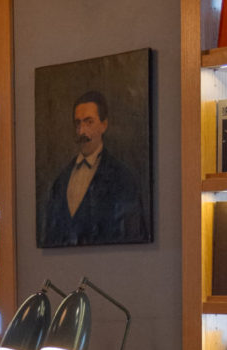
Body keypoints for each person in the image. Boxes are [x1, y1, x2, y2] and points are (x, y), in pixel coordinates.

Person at [41, 91, 148, 246]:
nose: (82, 131)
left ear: (104, 125)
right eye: (78, 123)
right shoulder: (61, 181)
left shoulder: (122, 178)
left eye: (89, 122)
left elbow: (132, 234)